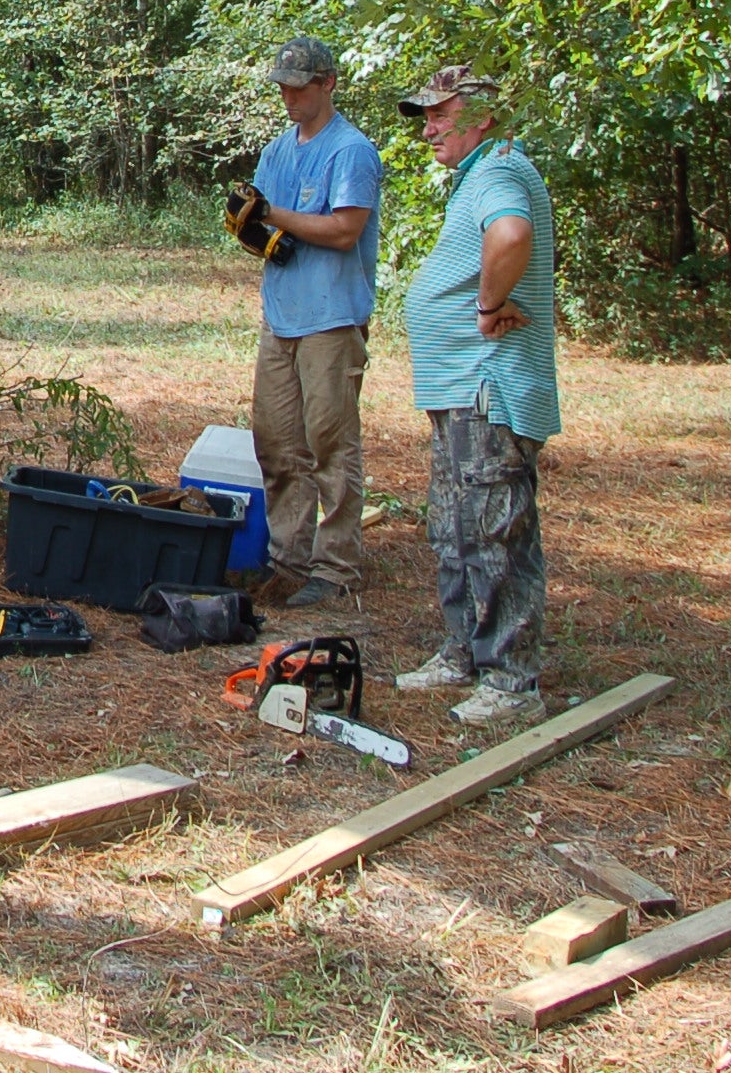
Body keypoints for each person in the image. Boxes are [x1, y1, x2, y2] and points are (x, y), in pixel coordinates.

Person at [392, 64, 559, 729]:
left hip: (488, 390)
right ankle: (464, 653)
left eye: (439, 113)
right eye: (425, 116)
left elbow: (511, 235)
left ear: (482, 116)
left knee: (494, 532)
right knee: (456, 528)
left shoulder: (498, 171)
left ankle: (512, 684)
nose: (428, 128)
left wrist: (490, 304)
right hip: (461, 391)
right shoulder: (479, 174)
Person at [240, 38, 384, 611]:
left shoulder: (350, 152)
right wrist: (252, 227)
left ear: (328, 84)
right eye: (282, 86)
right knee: (276, 444)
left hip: (332, 318)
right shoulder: (276, 151)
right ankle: (287, 560)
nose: (289, 96)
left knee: (330, 444)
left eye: (299, 86)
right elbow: (268, 228)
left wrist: (272, 214)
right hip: (281, 317)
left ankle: (337, 565)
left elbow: (345, 229)